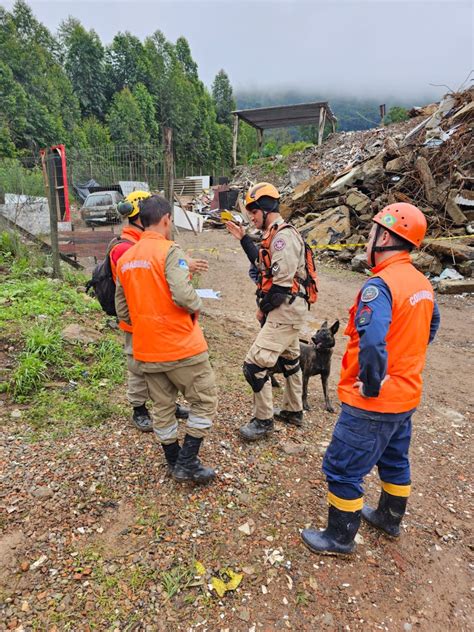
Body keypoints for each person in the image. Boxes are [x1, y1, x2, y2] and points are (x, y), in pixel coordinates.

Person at [301, 203, 441, 555]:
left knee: (342, 466)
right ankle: (389, 518)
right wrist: (405, 360)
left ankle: (339, 537)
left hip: (374, 401)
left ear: (386, 237)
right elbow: (431, 326)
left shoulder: (379, 286)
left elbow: (374, 341)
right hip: (406, 396)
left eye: (373, 232)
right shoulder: (421, 283)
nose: (367, 239)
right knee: (395, 459)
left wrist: (374, 382)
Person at [115, 194, 217, 483]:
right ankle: (187, 461)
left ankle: (173, 460)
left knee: (162, 407)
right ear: (165, 220)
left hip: (146, 350)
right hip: (182, 346)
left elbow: (122, 309)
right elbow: (183, 294)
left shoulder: (126, 258)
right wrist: (198, 304)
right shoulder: (170, 251)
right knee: (205, 400)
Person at [237, 182, 309, 441]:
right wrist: (243, 238)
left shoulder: (283, 238)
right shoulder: (274, 234)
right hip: (290, 309)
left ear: (266, 208)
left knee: (254, 365)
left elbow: (279, 287)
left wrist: (261, 310)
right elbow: (262, 263)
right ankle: (293, 410)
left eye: (254, 212)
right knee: (290, 361)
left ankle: (263, 420)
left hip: (284, 310)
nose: (252, 218)